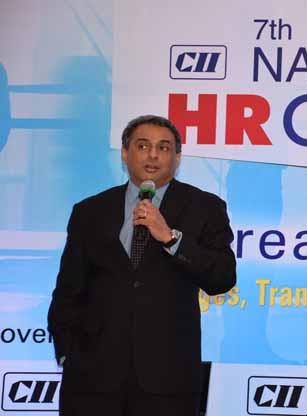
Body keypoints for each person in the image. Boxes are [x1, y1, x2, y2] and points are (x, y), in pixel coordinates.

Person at [47, 115, 236, 415]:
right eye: (143, 146)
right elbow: (68, 291)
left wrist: (171, 238)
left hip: (168, 380)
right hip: (91, 379)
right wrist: (67, 354)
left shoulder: (205, 207)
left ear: (177, 158)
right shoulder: (89, 211)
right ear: (125, 153)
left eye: (164, 147)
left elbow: (222, 277)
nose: (153, 155)